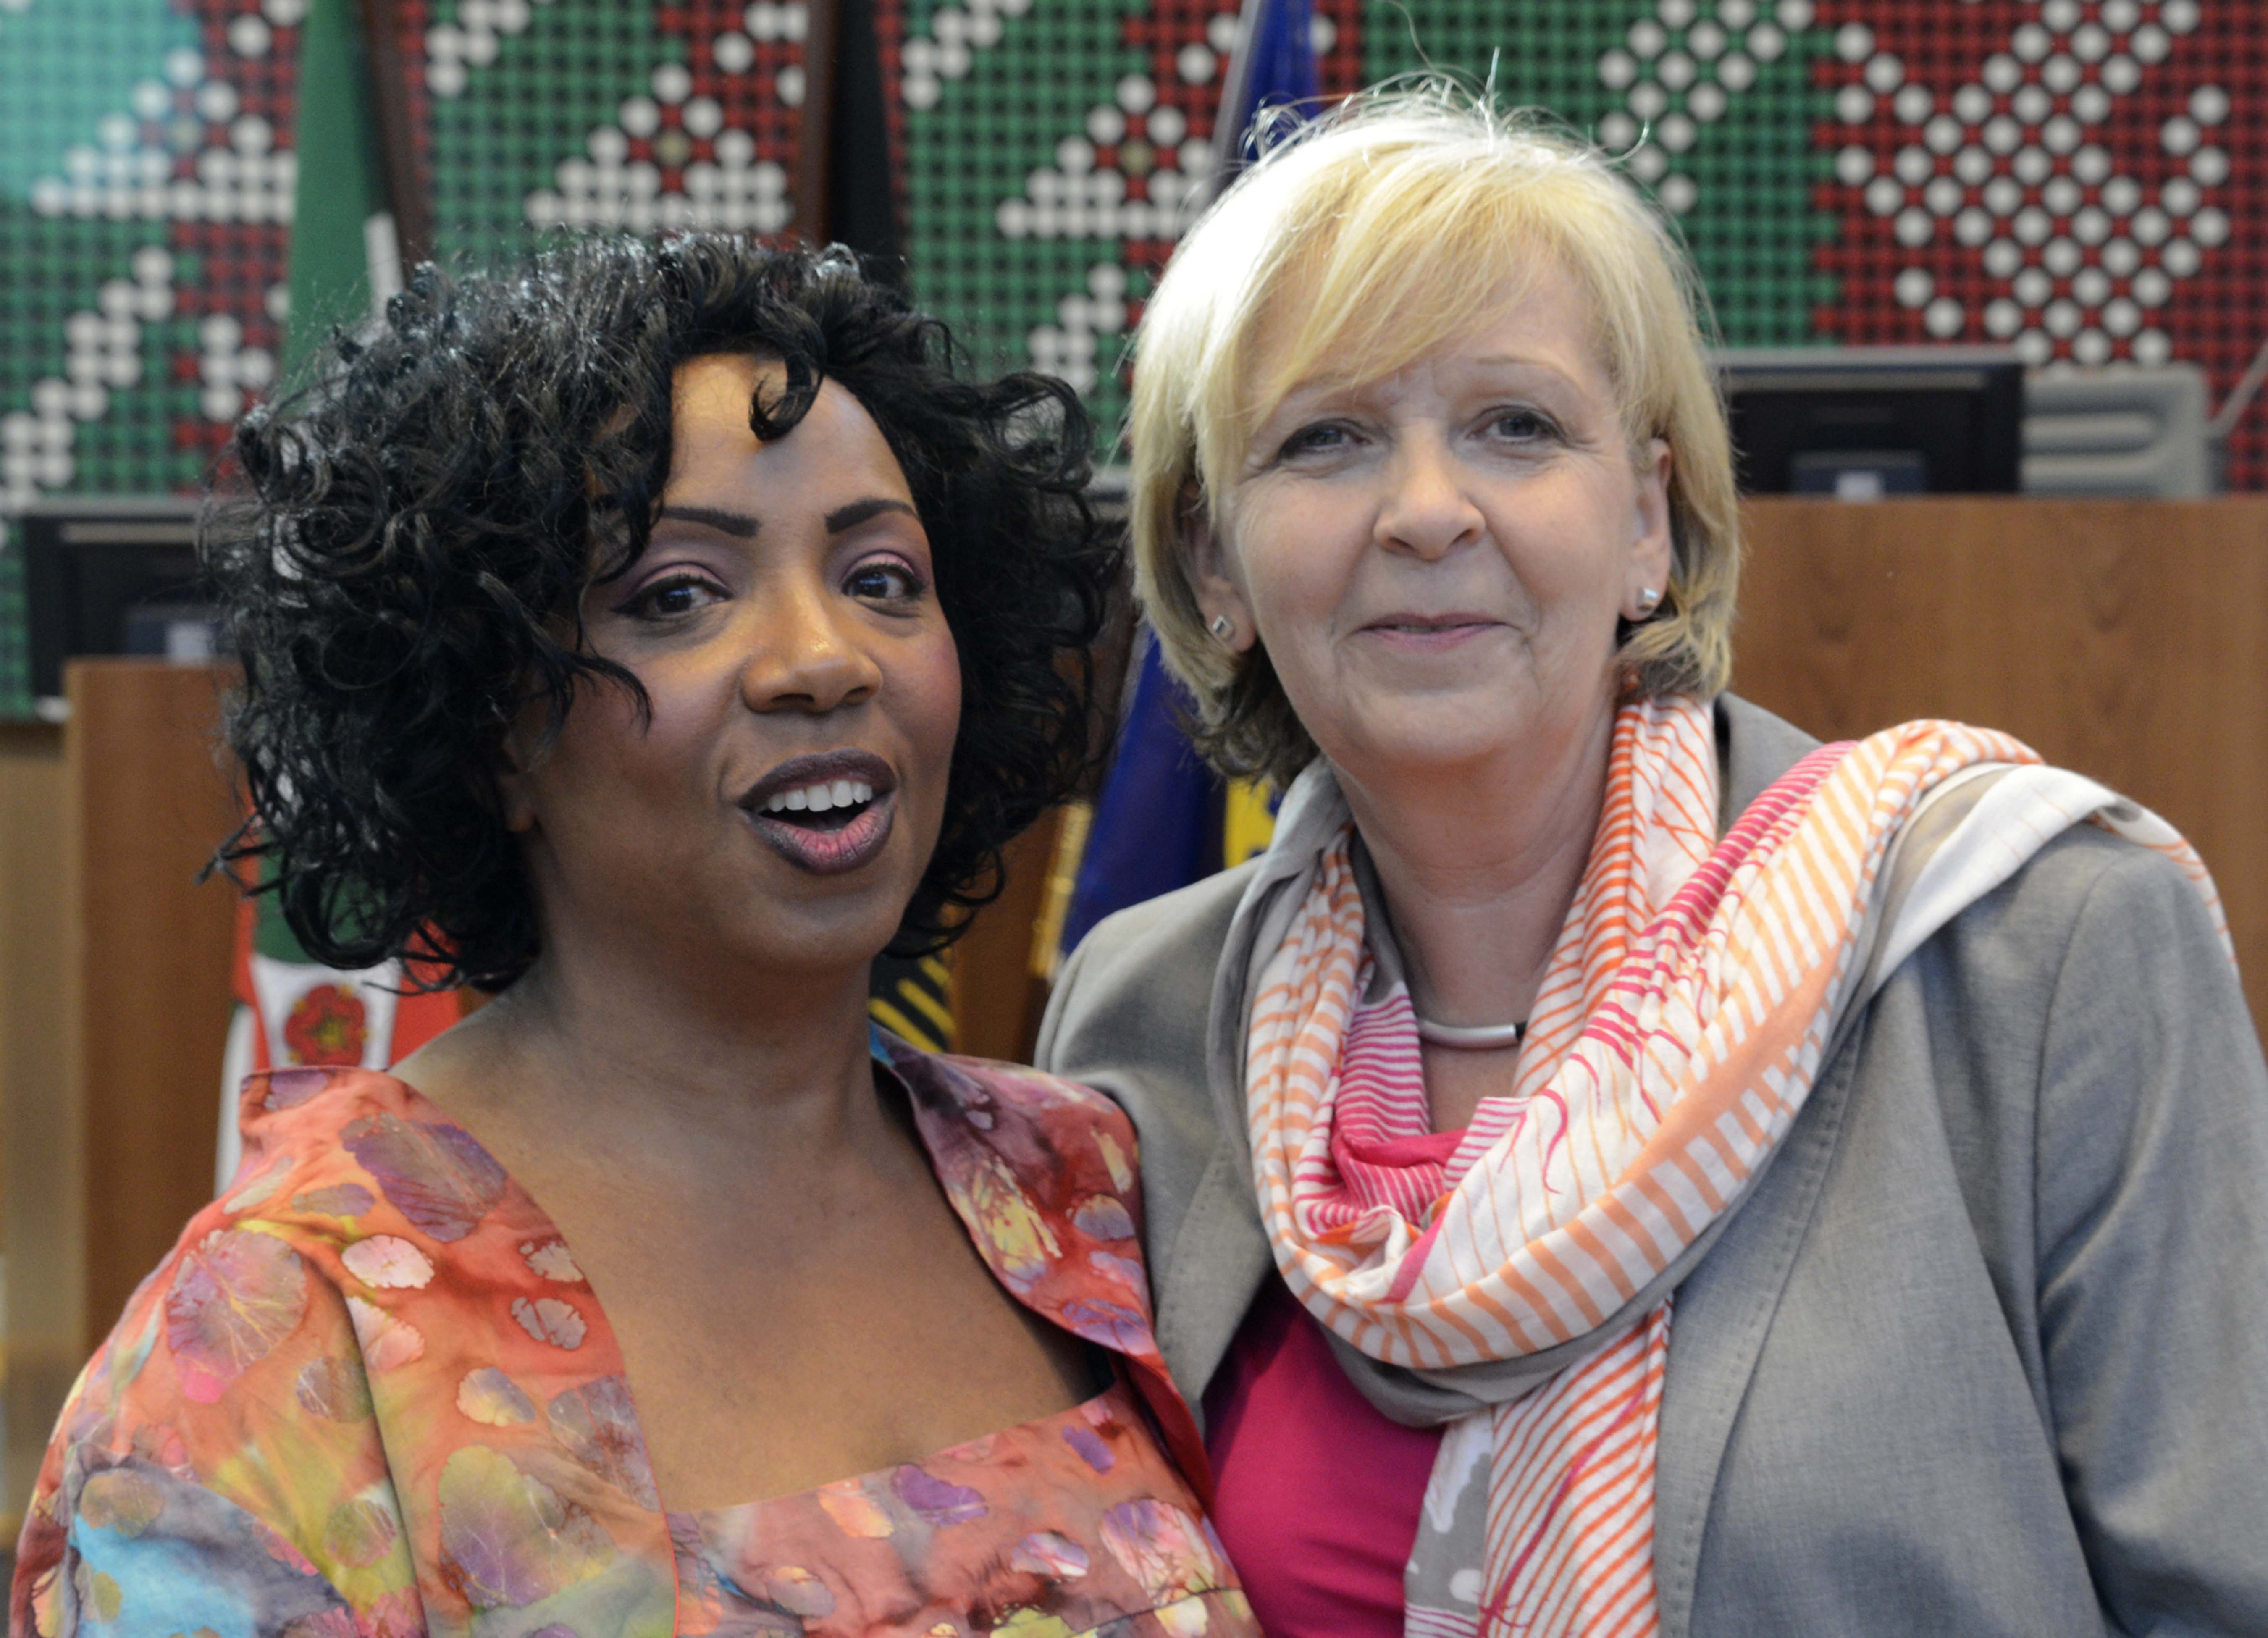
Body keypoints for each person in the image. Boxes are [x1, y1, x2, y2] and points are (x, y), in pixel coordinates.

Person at [1036, 89, 2268, 1637]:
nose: (1427, 511)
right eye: (1326, 438)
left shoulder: (2040, 948)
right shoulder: (1143, 1021)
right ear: (1214, 562)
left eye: (1516, 425)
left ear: (1647, 522)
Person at [15, 236, 1255, 1638]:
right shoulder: (274, 1339)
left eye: (882, 577)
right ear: (492, 727)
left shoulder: (1089, 1188)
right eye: (678, 594)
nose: (826, 657)